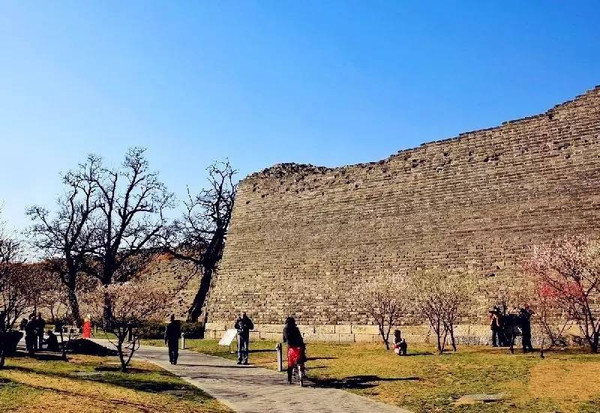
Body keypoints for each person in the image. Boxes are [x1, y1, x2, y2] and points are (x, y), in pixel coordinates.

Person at [282, 316, 306, 384]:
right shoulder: (296, 329)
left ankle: (289, 379)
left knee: (290, 364)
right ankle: (302, 371)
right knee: (301, 358)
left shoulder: (285, 329)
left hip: (291, 347)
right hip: (299, 346)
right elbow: (300, 338)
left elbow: (284, 339)